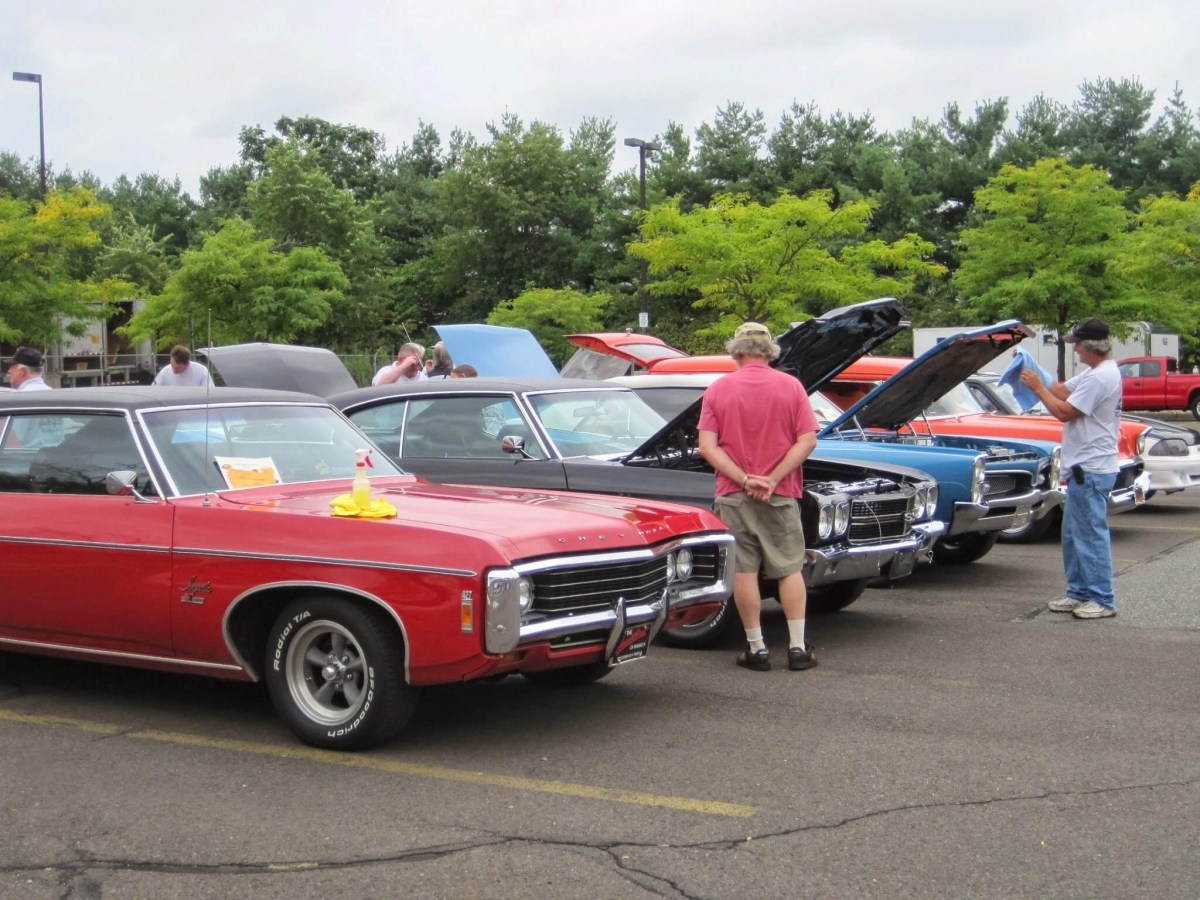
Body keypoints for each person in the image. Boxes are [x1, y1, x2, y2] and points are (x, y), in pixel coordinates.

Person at [698, 322, 820, 671]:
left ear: (735, 350)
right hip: (780, 494)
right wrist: (772, 479)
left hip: (733, 495)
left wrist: (744, 479)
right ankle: (798, 648)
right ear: (770, 351)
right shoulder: (791, 387)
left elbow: (707, 447)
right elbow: (807, 440)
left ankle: (756, 648)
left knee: (744, 571)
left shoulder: (718, 389)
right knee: (789, 568)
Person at [1021, 317, 1123, 619]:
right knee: (1073, 535)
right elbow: (1061, 390)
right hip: (1084, 467)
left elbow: (1065, 411)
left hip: (1091, 467)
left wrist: (1037, 388)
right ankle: (1079, 592)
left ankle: (1102, 599)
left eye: (1077, 344)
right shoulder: (1097, 372)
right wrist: (1031, 366)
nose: (1075, 349)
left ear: (1091, 346)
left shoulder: (1099, 378)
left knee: (1090, 536)